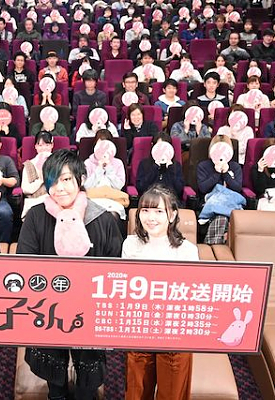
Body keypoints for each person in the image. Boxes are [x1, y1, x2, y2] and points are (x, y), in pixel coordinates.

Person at [16, 149, 123, 400]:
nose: (59, 188)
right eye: (53, 181)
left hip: (91, 309)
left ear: (81, 179)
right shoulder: (36, 216)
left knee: (88, 379)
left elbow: (116, 266)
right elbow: (24, 262)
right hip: (48, 308)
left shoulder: (103, 219)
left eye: (66, 180)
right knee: (55, 380)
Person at [122, 183, 198, 400]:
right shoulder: (130, 244)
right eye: (145, 210)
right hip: (140, 326)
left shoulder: (187, 250)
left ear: (172, 215)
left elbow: (192, 296)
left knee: (173, 392)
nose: (150, 217)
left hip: (175, 331)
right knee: (137, 390)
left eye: (158, 211)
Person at [197, 135, 243, 244]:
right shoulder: (203, 166)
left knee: (224, 217)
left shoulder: (235, 166)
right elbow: (203, 188)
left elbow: (237, 188)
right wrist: (217, 173)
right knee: (222, 217)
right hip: (211, 201)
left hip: (231, 201)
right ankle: (214, 245)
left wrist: (226, 173)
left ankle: (214, 245)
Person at [136, 134, 184, 198]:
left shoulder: (176, 165)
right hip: (150, 198)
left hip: (170, 199)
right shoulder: (144, 163)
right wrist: (155, 167)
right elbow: (141, 187)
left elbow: (179, 189)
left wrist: (171, 168)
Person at [21, 131, 53, 218]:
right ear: (36, 146)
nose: (44, 148)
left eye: (47, 145)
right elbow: (26, 189)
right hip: (35, 201)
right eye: (40, 145)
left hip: (56, 200)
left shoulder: (59, 163)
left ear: (52, 145)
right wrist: (41, 179)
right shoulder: (29, 165)